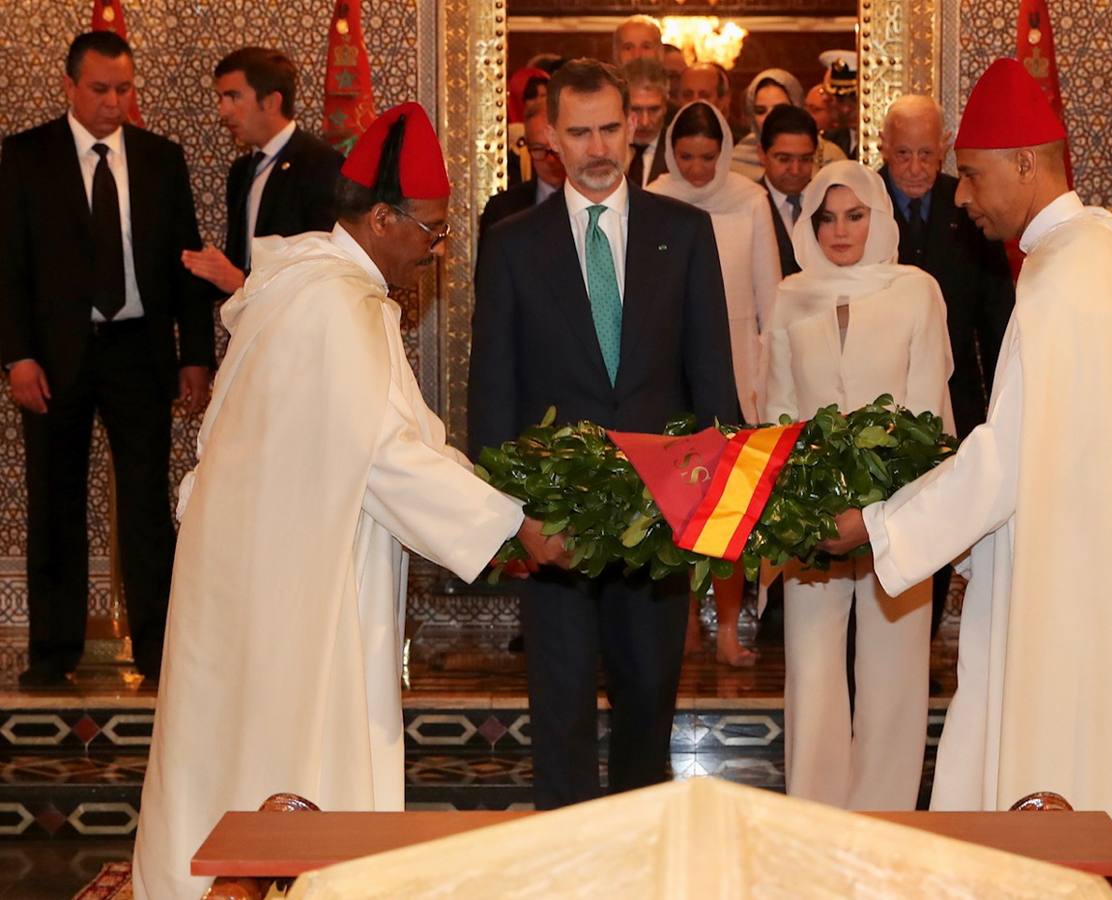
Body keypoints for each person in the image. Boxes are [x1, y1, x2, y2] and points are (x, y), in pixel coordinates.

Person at [823, 59, 1112, 899]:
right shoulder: (1105, 257)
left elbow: (1004, 458)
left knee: (1072, 787)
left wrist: (876, 526)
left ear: (1027, 163)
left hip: (1080, 599)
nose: (959, 199)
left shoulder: (1066, 277)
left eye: (974, 175)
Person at [132, 102, 567, 899]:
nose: (437, 253)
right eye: (431, 232)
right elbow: (389, 459)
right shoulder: (336, 306)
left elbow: (403, 437)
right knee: (291, 748)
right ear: (379, 219)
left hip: (259, 569)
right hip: (296, 586)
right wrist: (516, 527)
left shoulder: (304, 288)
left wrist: (497, 507)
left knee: (234, 745)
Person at [469, 60, 739, 809]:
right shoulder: (512, 243)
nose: (596, 148)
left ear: (632, 129)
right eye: (579, 131)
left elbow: (711, 378)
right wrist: (510, 521)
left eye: (609, 129)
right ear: (550, 135)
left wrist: (713, 505)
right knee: (557, 710)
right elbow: (491, 391)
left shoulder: (683, 233)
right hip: (552, 524)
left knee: (648, 703)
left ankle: (638, 863)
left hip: (656, 521)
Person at [0, 32, 214, 688]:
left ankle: (156, 652)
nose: (114, 102)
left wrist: (196, 358)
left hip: (138, 349)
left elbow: (186, 265)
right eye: (100, 90)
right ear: (70, 87)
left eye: (124, 89)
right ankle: (53, 651)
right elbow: (8, 266)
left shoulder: (160, 159)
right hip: (55, 356)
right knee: (54, 500)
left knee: (147, 504)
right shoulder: (26, 155)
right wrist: (17, 357)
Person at [763, 160, 951, 809]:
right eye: (825, 218)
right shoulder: (790, 293)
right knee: (810, 671)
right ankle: (813, 819)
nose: (839, 231)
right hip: (810, 512)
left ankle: (884, 817)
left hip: (898, 508)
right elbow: (777, 411)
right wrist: (797, 502)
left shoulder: (915, 289)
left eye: (853, 215)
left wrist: (885, 508)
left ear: (877, 218)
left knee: (893, 670)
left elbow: (926, 413)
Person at [649, 100, 781, 667]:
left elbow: (770, 297)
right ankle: (683, 628)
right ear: (671, 155)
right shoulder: (652, 194)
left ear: (726, 150)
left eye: (708, 157)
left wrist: (766, 378)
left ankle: (728, 628)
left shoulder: (751, 198)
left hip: (737, 365)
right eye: (687, 157)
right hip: (667, 363)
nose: (699, 169)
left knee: (731, 508)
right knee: (677, 503)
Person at [878, 94, 1014, 643]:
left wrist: (996, 405)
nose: (913, 168)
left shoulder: (966, 205)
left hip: (951, 399)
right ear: (883, 148)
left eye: (926, 155)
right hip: (875, 399)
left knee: (935, 516)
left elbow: (996, 316)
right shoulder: (859, 202)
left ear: (945, 151)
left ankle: (920, 640)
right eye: (902, 153)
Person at [183, 47, 343, 297]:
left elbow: (325, 267)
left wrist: (241, 281)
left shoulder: (320, 163)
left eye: (233, 97)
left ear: (270, 102)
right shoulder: (241, 170)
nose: (222, 111)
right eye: (221, 98)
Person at [479, 99, 565, 235]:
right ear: (527, 148)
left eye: (556, 150)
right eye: (538, 149)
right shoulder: (502, 211)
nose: (550, 160)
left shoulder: (594, 202)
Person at [757, 105, 819, 278]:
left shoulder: (826, 202)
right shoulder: (749, 206)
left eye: (805, 159)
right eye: (784, 159)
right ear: (761, 154)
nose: (795, 170)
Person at [729, 69, 802, 181]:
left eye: (779, 109)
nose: (770, 117)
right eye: (760, 111)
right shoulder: (734, 161)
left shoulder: (824, 155)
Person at [620, 58, 669, 187]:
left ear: (665, 106)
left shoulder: (679, 153)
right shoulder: (603, 150)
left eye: (654, 109)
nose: (645, 122)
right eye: (635, 109)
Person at [819, 50, 858, 159]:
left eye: (854, 100)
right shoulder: (828, 141)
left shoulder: (887, 142)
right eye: (841, 100)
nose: (846, 109)